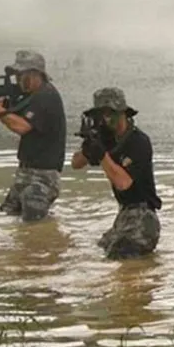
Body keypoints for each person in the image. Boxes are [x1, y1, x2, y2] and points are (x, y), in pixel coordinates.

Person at [71, 87, 162, 259]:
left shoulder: (138, 141)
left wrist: (102, 155)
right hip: (123, 216)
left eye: (109, 113)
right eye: (101, 114)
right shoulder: (107, 138)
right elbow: (76, 164)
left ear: (122, 113)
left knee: (118, 256)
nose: (105, 119)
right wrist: (89, 146)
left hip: (143, 218)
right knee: (98, 249)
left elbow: (123, 183)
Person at [0, 50, 66, 222]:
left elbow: (20, 126)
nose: (19, 80)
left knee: (33, 225)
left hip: (43, 178)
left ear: (37, 75)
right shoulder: (31, 96)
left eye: (23, 75)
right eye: (18, 75)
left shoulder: (46, 96)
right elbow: (13, 117)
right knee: (7, 216)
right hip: (25, 172)